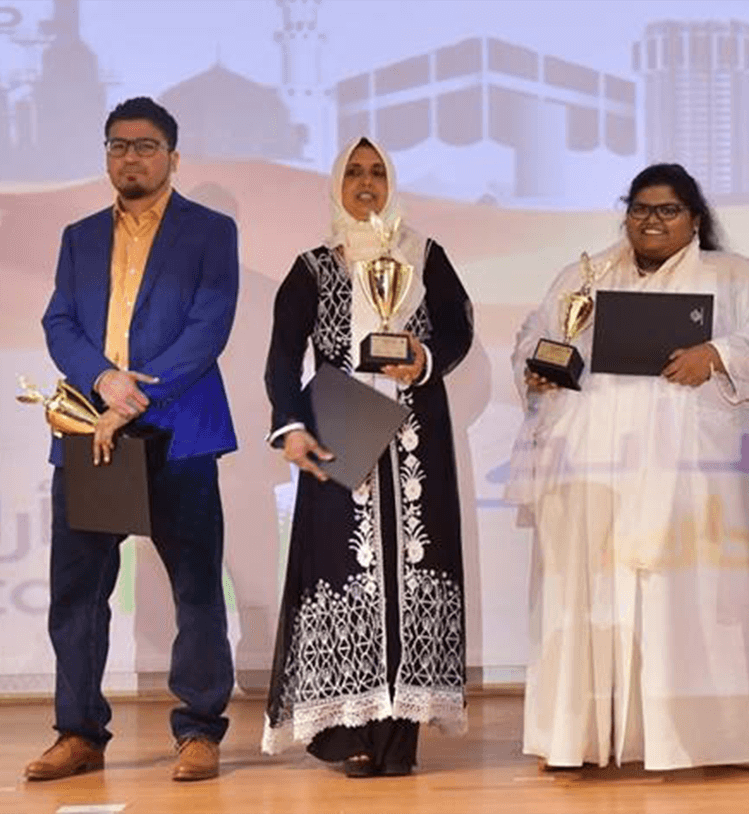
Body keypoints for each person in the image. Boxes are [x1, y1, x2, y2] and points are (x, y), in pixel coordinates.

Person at [509, 163, 749, 770]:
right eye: (640, 208)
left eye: (667, 210)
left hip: (688, 480)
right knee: (586, 603)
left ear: (695, 218)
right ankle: (578, 737)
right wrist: (536, 367)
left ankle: (700, 741)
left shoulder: (733, 276)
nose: (651, 221)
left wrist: (716, 353)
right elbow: (534, 337)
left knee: (684, 603)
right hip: (591, 478)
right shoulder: (583, 277)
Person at [27, 97, 239, 783]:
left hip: (179, 433)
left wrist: (135, 395)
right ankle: (80, 732)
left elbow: (208, 329)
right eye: (118, 145)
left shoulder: (210, 231)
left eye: (145, 146)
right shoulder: (79, 236)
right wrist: (102, 382)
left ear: (172, 157)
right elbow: (60, 322)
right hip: (93, 435)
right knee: (78, 594)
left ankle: (200, 730)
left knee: (198, 589)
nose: (130, 157)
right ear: (106, 155)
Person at [261, 137, 474, 777]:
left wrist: (426, 361)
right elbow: (279, 359)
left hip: (414, 435)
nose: (366, 182)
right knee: (341, 572)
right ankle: (343, 733)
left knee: (412, 575)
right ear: (336, 182)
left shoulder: (425, 256)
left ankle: (399, 738)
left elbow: (458, 330)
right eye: (353, 171)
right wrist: (289, 425)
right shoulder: (312, 266)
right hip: (339, 428)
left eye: (378, 171)